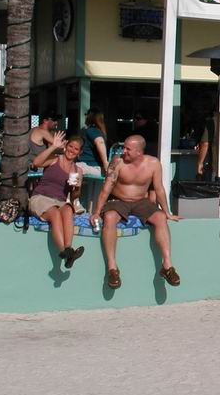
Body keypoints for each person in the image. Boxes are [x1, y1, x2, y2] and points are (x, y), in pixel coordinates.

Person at [91, 135, 181, 289]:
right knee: (110, 217)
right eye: (123, 147)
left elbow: (159, 189)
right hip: (118, 200)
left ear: (139, 152)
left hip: (141, 201)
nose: (123, 151)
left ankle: (167, 266)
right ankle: (112, 268)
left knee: (160, 217)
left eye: (128, 149)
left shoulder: (153, 164)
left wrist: (167, 212)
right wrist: (96, 212)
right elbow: (106, 188)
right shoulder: (117, 162)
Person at [29, 132, 85, 268]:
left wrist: (77, 187)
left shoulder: (77, 170)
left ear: (79, 152)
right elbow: (36, 163)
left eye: (76, 149)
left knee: (68, 210)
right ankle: (65, 252)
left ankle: (68, 248)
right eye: (70, 146)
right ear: (66, 146)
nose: (72, 150)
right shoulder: (55, 159)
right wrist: (53, 146)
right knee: (55, 213)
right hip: (41, 197)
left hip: (60, 202)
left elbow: (74, 197)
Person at [77, 107, 109, 177]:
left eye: (86, 114)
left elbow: (100, 142)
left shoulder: (92, 130)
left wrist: (105, 162)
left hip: (89, 166)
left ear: (89, 116)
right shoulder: (97, 131)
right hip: (92, 167)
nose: (85, 116)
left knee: (68, 167)